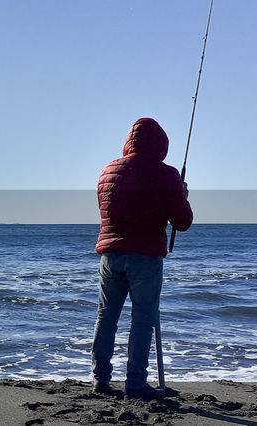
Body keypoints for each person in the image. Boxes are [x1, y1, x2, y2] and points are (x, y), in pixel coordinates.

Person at [92, 117, 193, 399]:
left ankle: (100, 379)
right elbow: (182, 221)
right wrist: (181, 196)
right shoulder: (166, 174)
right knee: (142, 319)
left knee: (106, 317)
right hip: (145, 257)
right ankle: (135, 383)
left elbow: (107, 211)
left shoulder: (108, 171)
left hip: (110, 255)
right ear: (161, 144)